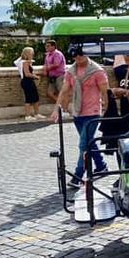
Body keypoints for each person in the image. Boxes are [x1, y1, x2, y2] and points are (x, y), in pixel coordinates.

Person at [51, 48, 110, 188]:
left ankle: (78, 176)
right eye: (75, 55)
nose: (77, 57)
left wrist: (106, 109)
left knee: (83, 145)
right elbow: (64, 90)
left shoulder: (97, 71)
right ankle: (101, 166)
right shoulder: (71, 72)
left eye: (80, 54)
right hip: (78, 113)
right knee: (89, 142)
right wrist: (56, 109)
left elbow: (104, 92)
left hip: (92, 113)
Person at [17, 46, 43, 120]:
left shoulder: (26, 62)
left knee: (35, 97)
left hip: (28, 81)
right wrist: (35, 76)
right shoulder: (25, 63)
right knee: (28, 98)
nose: (33, 54)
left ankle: (37, 114)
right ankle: (28, 115)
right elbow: (27, 74)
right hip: (27, 81)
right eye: (31, 53)